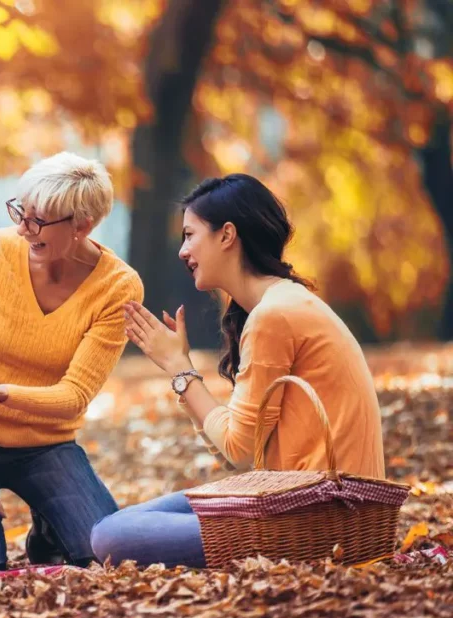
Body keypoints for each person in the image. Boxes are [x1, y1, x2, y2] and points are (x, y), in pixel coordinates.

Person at [90, 174, 386, 568]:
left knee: (110, 536)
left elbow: (240, 450)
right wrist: (183, 375)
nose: (183, 251)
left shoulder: (274, 317)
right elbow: (242, 452)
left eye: (190, 235)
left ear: (227, 235)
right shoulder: (284, 303)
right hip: (306, 500)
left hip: (317, 519)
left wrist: (180, 369)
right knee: (117, 524)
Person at [0, 152, 144, 570]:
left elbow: (75, 396)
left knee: (108, 555)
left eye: (38, 220)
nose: (23, 228)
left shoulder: (118, 286)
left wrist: (2, 393)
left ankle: (48, 529)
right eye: (21, 213)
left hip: (45, 442)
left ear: (83, 225)